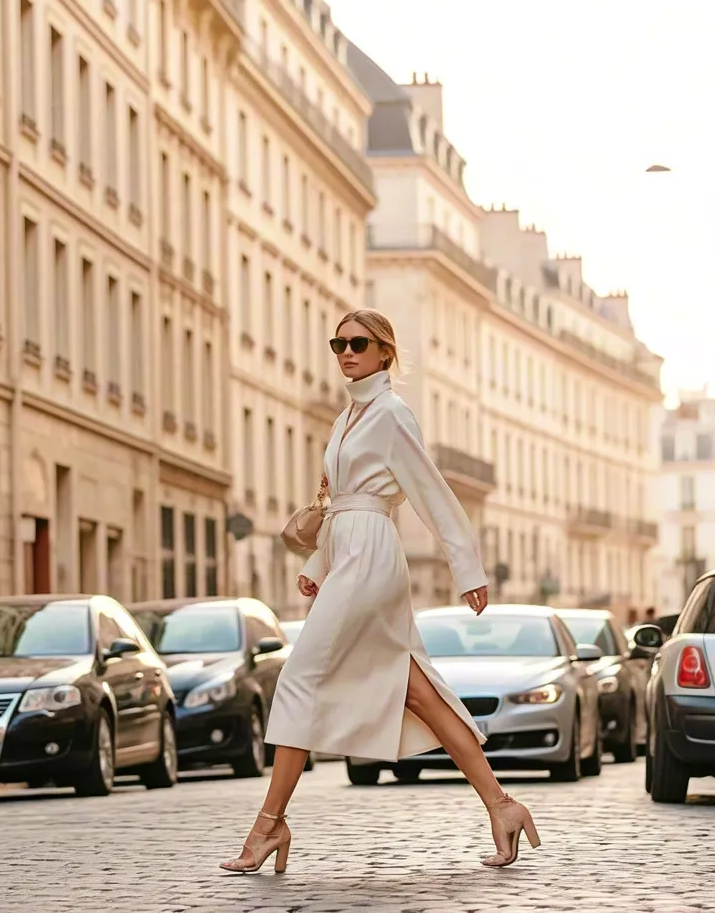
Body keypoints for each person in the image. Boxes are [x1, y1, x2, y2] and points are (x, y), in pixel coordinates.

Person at [220, 309, 541, 875]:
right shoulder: (347, 417)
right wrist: (319, 560)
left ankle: (270, 823)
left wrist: (467, 567)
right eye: (338, 343)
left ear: (384, 352)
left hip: (372, 559)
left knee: (299, 679)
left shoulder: (392, 414)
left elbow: (429, 491)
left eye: (358, 343)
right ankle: (503, 806)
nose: (345, 352)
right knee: (415, 691)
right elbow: (336, 499)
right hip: (348, 553)